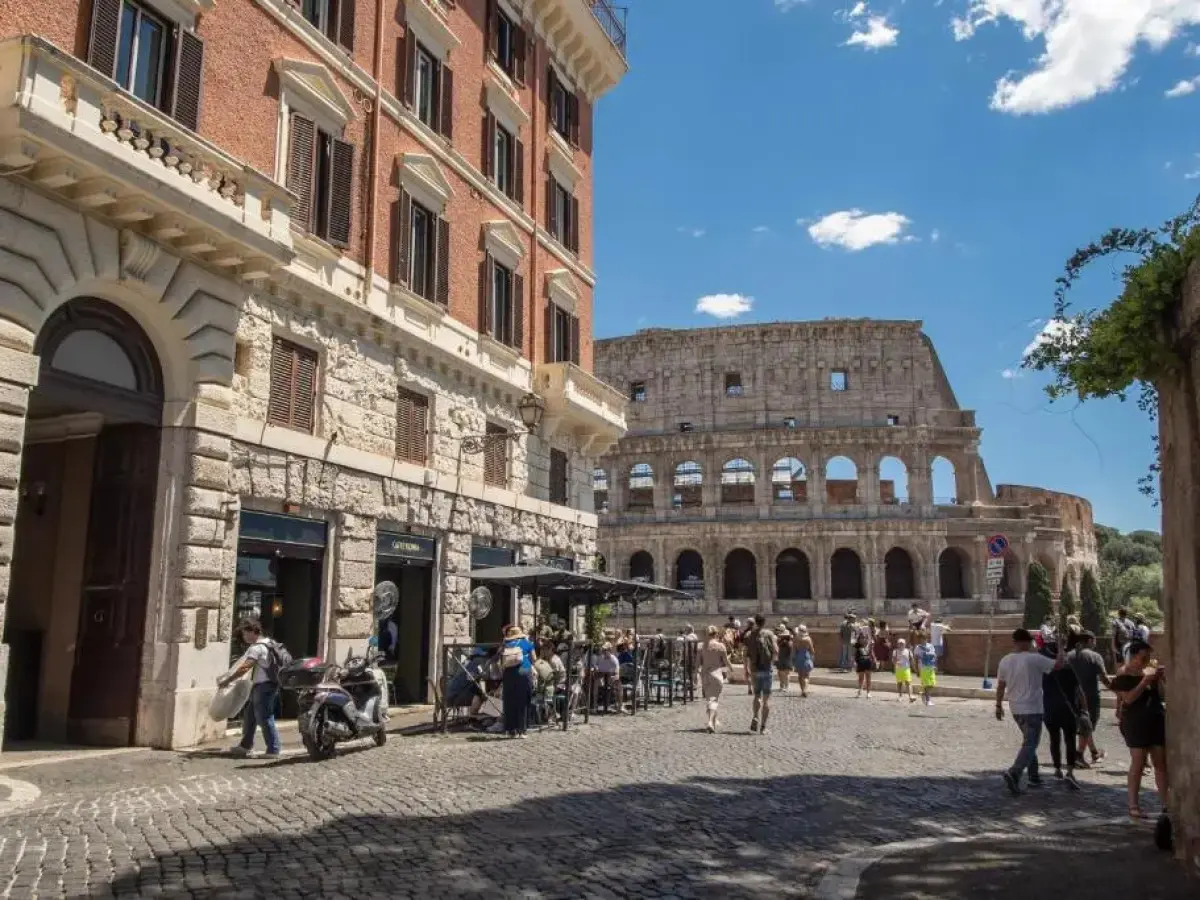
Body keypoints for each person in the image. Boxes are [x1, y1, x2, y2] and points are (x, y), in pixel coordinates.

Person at [995, 628, 1067, 795]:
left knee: (1029, 741)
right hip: (1032, 708)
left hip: (1015, 708)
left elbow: (1000, 685)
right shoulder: (1035, 658)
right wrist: (1061, 648)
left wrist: (998, 705)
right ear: (1027, 642)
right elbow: (1059, 665)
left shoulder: (1005, 660)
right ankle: (1015, 772)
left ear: (1014, 642)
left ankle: (1034, 776)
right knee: (1031, 743)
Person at [1111, 640, 1168, 820]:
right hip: (1135, 722)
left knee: (1160, 763)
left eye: (1149, 657)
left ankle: (1166, 804)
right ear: (1134, 656)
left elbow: (1162, 695)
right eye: (1144, 657)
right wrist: (1144, 681)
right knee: (1138, 762)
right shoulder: (1124, 673)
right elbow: (1128, 699)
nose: (1147, 660)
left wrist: (1162, 680)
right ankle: (1133, 805)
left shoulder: (1150, 670)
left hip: (1155, 719)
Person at [219, 618, 283, 759]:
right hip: (266, 684)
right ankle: (245, 745)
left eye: (245, 633)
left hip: (263, 686)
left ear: (253, 631)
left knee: (264, 717)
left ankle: (273, 749)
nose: (244, 637)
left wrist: (228, 680)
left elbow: (245, 667)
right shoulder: (269, 642)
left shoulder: (256, 648)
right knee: (250, 716)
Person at [1039, 640, 1086, 789]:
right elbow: (1079, 691)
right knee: (1070, 740)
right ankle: (1070, 771)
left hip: (1050, 709)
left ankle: (1057, 768)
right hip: (1068, 710)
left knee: (1054, 740)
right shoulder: (1070, 670)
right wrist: (1084, 710)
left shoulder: (1045, 672)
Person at [1068, 630, 1111, 765]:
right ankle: (1079, 755)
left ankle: (1094, 752)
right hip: (1090, 697)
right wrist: (1117, 690)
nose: (1095, 642)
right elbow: (1104, 678)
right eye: (1094, 640)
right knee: (1087, 726)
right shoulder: (1095, 656)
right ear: (1090, 640)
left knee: (1084, 726)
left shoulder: (1068, 655)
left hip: (1071, 697)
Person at [744, 615, 777, 734]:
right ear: (764, 622)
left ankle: (755, 716)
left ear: (755, 622)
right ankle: (763, 727)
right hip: (767, 669)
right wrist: (772, 662)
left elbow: (746, 653)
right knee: (766, 699)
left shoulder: (749, 635)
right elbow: (776, 650)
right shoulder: (769, 634)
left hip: (754, 669)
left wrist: (746, 668)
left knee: (757, 695)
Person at [500, 625, 536, 738]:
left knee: (510, 700)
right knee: (523, 700)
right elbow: (534, 658)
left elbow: (501, 659)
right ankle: (522, 730)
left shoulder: (505, 644)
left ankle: (511, 730)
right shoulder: (527, 643)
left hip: (509, 673)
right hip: (524, 670)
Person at [698, 625, 730, 733]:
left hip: (705, 674)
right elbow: (726, 661)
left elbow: (697, 663)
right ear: (716, 634)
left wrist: (695, 674)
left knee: (710, 699)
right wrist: (731, 669)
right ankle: (710, 722)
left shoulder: (701, 646)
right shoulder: (720, 646)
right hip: (716, 674)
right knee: (714, 699)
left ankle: (714, 720)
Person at [913, 633, 938, 706]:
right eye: (921, 638)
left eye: (924, 638)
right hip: (923, 668)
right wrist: (916, 670)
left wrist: (935, 665)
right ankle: (928, 700)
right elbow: (916, 659)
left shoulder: (931, 646)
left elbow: (934, 656)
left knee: (932, 684)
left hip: (931, 667)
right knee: (927, 684)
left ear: (927, 639)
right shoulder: (918, 648)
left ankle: (923, 694)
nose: (923, 640)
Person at [793, 625, 815, 698]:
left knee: (800, 675)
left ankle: (802, 690)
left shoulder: (796, 639)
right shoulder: (808, 639)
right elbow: (812, 650)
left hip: (798, 656)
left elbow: (794, 650)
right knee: (806, 675)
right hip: (806, 656)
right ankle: (805, 690)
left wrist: (793, 659)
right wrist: (812, 658)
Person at [892, 638, 916, 703]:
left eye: (902, 643)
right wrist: (896, 662)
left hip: (906, 669)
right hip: (898, 669)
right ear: (897, 644)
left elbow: (912, 659)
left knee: (908, 682)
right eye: (899, 643)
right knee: (899, 683)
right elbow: (893, 660)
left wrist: (914, 668)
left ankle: (910, 696)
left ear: (905, 644)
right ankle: (900, 696)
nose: (901, 645)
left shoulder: (908, 651)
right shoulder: (895, 651)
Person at [853, 629, 874, 699]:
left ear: (867, 639)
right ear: (859, 639)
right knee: (861, 678)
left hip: (868, 662)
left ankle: (868, 692)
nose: (863, 639)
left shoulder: (869, 645)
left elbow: (872, 653)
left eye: (864, 638)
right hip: (860, 663)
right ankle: (860, 690)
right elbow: (854, 655)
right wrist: (854, 662)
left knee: (868, 678)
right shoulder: (857, 646)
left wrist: (875, 660)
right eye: (861, 638)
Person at [775, 624, 795, 692]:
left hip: (786, 658)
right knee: (782, 673)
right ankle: (783, 686)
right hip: (782, 658)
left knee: (785, 673)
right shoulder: (780, 641)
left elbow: (790, 648)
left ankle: (785, 686)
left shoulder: (789, 642)